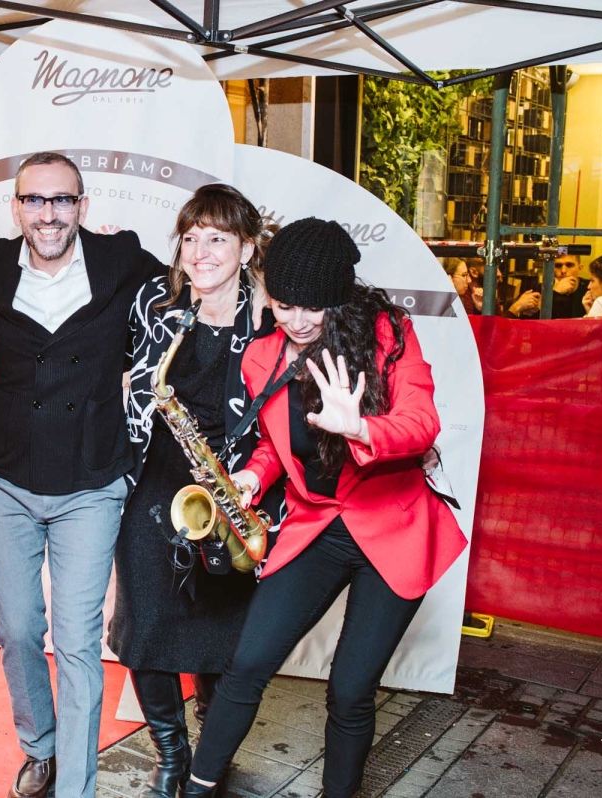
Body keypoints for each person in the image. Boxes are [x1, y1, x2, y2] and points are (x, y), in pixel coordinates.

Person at [181, 218, 468, 798]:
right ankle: (197, 787)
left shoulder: (388, 336)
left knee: (350, 689)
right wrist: (252, 476)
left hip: (392, 528)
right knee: (247, 663)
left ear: (339, 296)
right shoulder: (262, 356)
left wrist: (358, 426)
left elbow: (422, 422)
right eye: (284, 305)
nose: (297, 320)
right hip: (317, 526)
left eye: (313, 307)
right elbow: (274, 444)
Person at [0, 151, 164, 798]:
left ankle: (75, 788)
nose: (48, 214)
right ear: (15, 207)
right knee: (19, 629)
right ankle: (41, 748)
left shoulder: (121, 260)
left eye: (62, 200)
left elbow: (191, 294)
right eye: (34, 200)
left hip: (90, 481)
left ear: (83, 207)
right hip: (3, 477)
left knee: (77, 642)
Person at [108, 184, 282, 798]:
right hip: (154, 480)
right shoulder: (155, 299)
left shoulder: (270, 317)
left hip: (234, 489)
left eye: (217, 238)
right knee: (143, 626)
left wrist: (253, 481)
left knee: (225, 634)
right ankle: (170, 752)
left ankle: (212, 749)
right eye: (190, 237)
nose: (200, 252)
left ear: (247, 247)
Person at [507, 253, 589, 319]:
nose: (563, 271)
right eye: (558, 266)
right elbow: (529, 324)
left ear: (580, 268)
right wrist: (555, 293)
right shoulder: (539, 290)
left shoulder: (589, 288)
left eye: (569, 265)